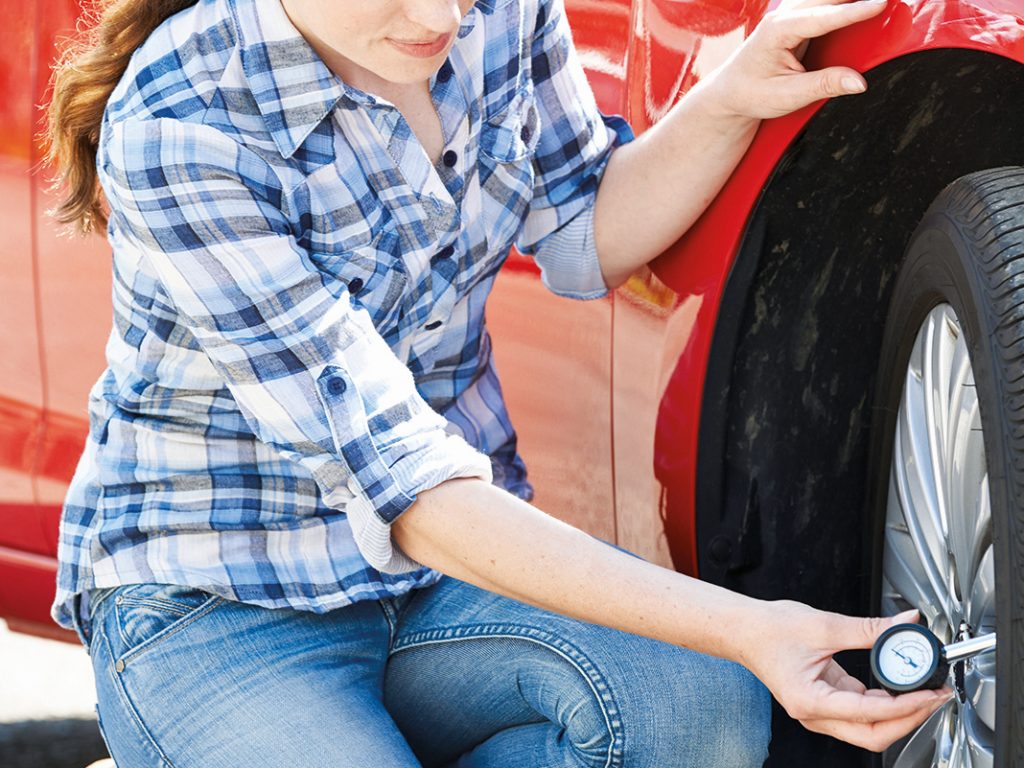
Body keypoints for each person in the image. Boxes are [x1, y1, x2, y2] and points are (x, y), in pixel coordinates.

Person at [43, 0, 950, 765]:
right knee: (721, 648)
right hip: (222, 603)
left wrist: (732, 99)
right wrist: (748, 626)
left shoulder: (494, 14)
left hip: (433, 587)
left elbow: (584, 224)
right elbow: (411, 492)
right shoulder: (183, 122)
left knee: (699, 702)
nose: (442, 18)